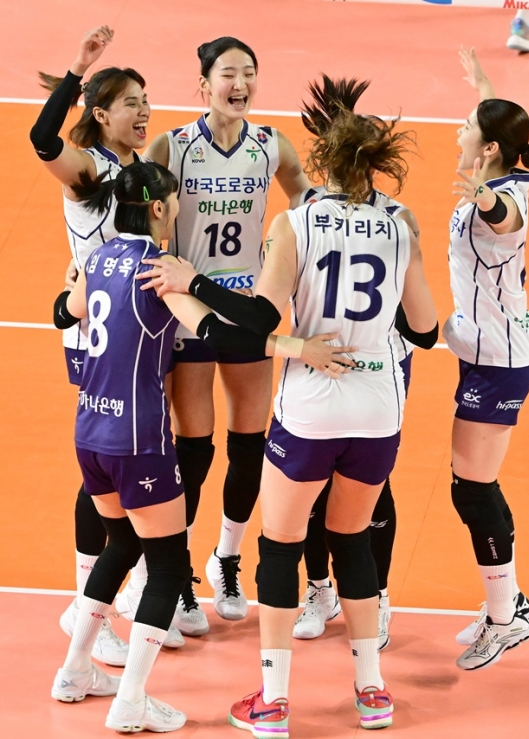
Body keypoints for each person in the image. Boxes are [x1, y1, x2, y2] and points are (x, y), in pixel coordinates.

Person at [139, 75, 437, 734]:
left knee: (281, 544)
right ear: (375, 162)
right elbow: (423, 330)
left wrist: (195, 282)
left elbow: (255, 321)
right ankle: (372, 692)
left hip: (310, 406)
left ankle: (273, 701)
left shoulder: (295, 223)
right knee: (352, 539)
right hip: (378, 406)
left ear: (323, 160)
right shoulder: (401, 225)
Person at [50, 160, 350, 734]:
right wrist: (299, 347)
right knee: (167, 566)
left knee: (120, 544)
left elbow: (65, 311)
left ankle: (73, 671)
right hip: (137, 441)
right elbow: (221, 335)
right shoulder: (157, 272)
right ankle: (131, 701)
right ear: (159, 208)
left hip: (89, 430)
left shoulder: (98, 257)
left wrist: (70, 291)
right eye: (175, 202)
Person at [127, 36, 312, 630]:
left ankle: (226, 557)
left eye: (249, 72)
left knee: (250, 443)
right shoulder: (174, 146)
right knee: (195, 448)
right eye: (229, 73)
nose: (241, 83)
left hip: (244, 307)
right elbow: (136, 209)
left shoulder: (270, 145)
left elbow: (305, 201)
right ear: (204, 86)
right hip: (187, 309)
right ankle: (176, 570)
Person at [28, 25, 188, 659]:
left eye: (147, 101)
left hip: (135, 322)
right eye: (130, 103)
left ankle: (128, 589)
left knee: (126, 455)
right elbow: (42, 141)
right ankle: (85, 604)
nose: (144, 111)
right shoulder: (91, 166)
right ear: (100, 113)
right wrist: (77, 68)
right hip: (100, 330)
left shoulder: (132, 170)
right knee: (107, 458)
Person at [289, 77, 437, 647]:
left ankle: (377, 594)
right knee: (310, 484)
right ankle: (319, 588)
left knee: (370, 486)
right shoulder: (309, 211)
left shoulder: (399, 219)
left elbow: (414, 314)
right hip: (319, 360)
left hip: (379, 363)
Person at [446, 47, 529, 670]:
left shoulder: (505, 202)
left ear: (490, 151)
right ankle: (511, 604)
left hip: (499, 362)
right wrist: (483, 84)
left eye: (468, 127)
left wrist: (482, 197)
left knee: (471, 489)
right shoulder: (505, 171)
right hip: (485, 351)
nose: (459, 131)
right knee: (473, 485)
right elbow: (493, 128)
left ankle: (506, 621)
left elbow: (505, 220)